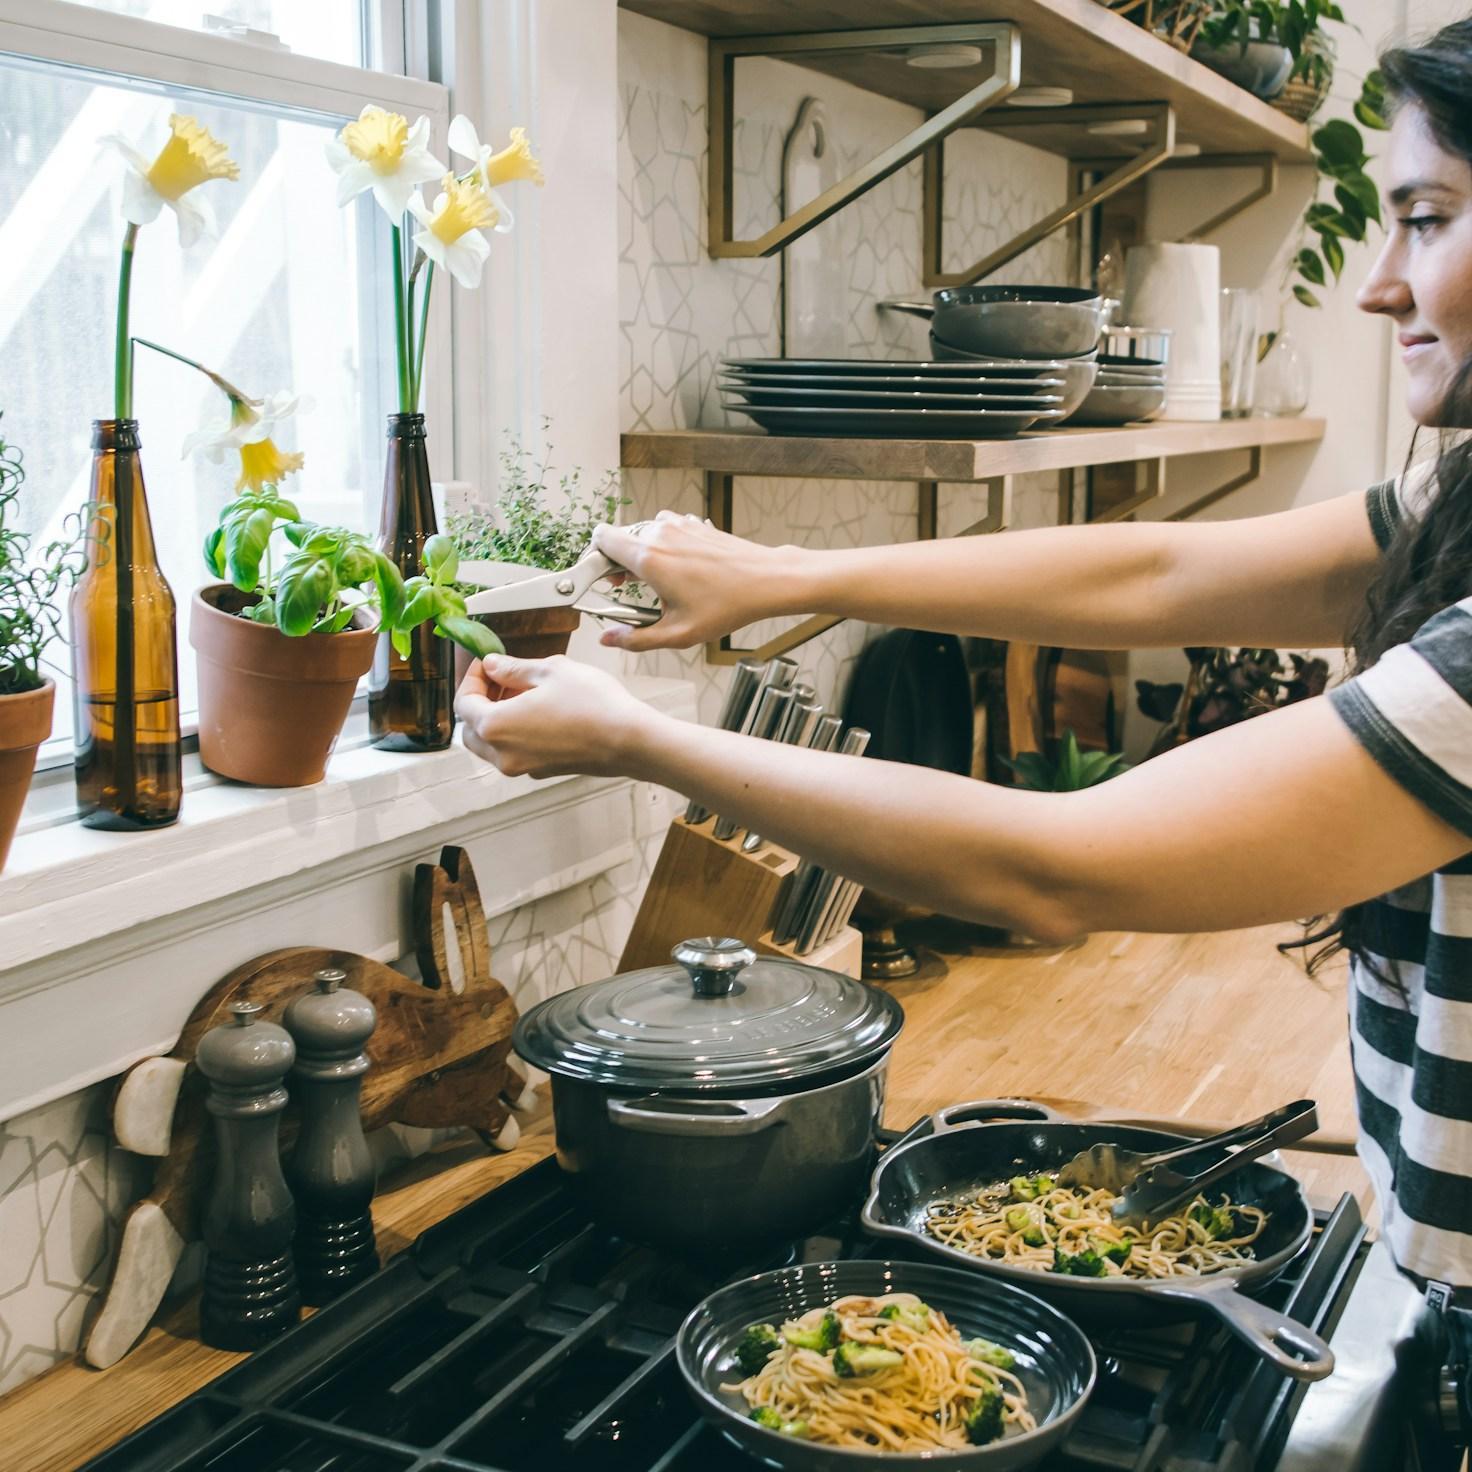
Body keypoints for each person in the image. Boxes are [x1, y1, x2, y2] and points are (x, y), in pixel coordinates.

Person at [459, 15, 1472, 1419]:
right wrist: (784, 572)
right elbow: (1162, 567)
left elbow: (1058, 866)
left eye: (1424, 217)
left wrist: (638, 736)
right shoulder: (1459, 507)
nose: (1376, 285)